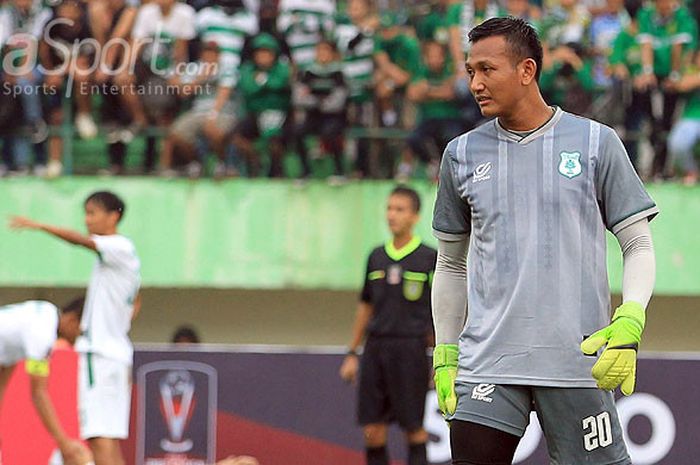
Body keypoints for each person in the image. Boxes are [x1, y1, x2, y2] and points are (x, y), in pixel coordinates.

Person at [431, 17, 658, 465]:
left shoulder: (597, 143)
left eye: (486, 70)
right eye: (470, 70)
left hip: (578, 362)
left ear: (527, 70)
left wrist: (631, 317)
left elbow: (638, 243)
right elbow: (451, 263)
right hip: (488, 365)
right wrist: (445, 350)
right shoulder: (459, 155)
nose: (475, 82)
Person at [9, 191, 142, 465]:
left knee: (99, 437)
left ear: (113, 216)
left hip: (101, 354)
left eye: (92, 213)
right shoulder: (122, 260)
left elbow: (81, 242)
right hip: (116, 354)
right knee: (109, 438)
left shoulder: (117, 246)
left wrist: (39, 225)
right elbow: (136, 300)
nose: (87, 220)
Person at [339, 186, 437, 465]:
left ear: (415, 216)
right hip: (375, 348)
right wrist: (352, 352)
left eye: (400, 209)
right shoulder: (376, 257)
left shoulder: (429, 257)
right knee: (372, 429)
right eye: (389, 208)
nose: (392, 215)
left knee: (413, 427)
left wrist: (441, 357)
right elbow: (365, 306)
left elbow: (441, 310)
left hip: (410, 348)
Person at [0, 298, 92, 465]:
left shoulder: (37, 318)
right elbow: (38, 393)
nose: (79, 340)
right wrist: (65, 445)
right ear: (72, 320)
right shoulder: (42, 331)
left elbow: (2, 381)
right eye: (81, 332)